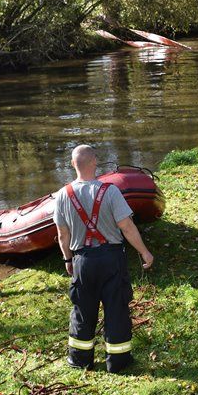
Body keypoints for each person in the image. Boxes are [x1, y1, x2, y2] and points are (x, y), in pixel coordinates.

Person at [55, 145, 155, 373]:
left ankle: (80, 360)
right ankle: (118, 361)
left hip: (82, 261)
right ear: (95, 162)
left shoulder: (63, 195)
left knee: (83, 310)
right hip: (111, 259)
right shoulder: (110, 192)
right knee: (116, 308)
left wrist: (68, 260)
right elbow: (127, 227)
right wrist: (144, 252)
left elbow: (62, 235)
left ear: (72, 164)